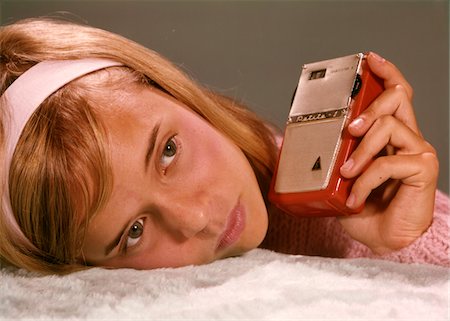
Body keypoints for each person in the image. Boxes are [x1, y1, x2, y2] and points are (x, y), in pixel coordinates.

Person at [0, 18, 448, 274]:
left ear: (176, 93)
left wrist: (404, 246)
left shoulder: (343, 188)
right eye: (132, 232)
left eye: (168, 152)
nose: (195, 218)